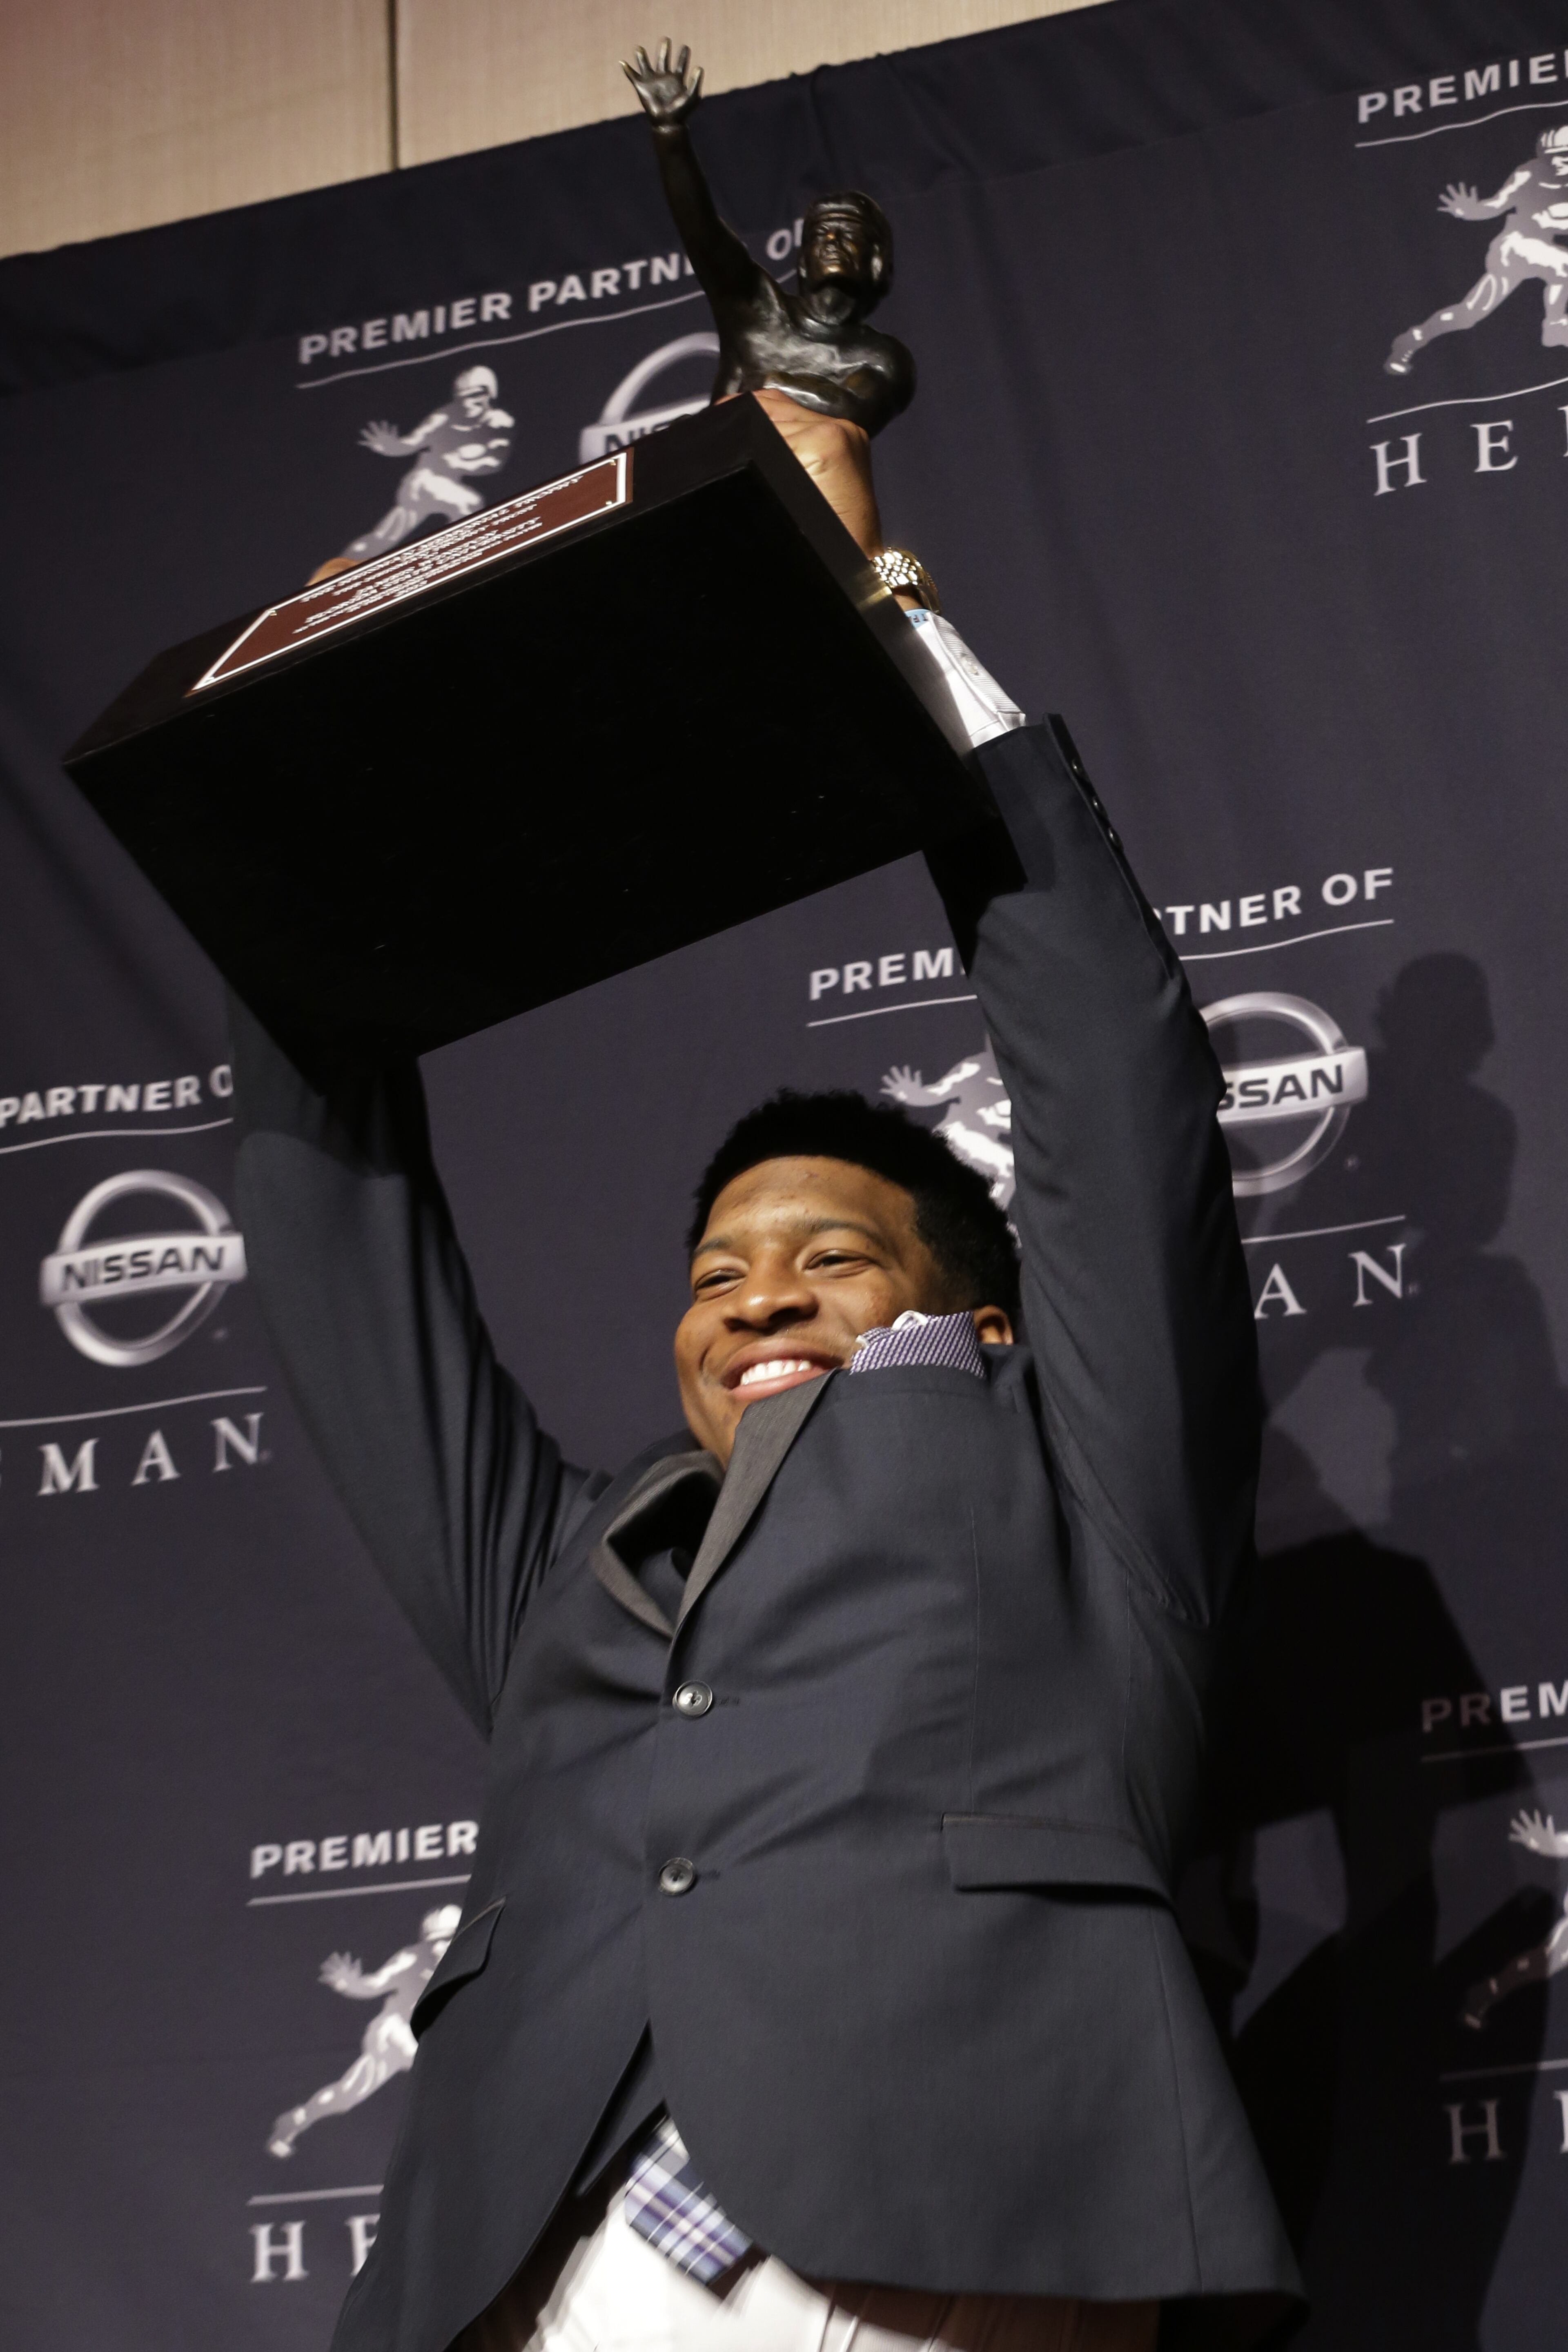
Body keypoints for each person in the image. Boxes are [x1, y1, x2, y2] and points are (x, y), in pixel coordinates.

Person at [232, 388, 1300, 2352]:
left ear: (977, 1322)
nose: (749, 1298)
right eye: (715, 1270)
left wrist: (871, 612)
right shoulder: (572, 1563)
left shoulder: (1077, 1494)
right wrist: (323, 787)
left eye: (826, 1258)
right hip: (541, 2288)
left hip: (929, 2247)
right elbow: (337, 1270)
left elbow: (1108, 1079)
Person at [267, 1905, 464, 2158]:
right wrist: (351, 1984)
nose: (437, 1948)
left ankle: (296, 2119)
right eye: (433, 1942)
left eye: (447, 1939)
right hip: (394, 2032)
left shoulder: (477, 1960)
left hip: (432, 2036)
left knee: (345, 2096)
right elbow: (375, 1984)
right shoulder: (411, 1959)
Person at [1385, 125, 1568, 376]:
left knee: (1469, 314)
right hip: (1516, 246)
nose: (1560, 163)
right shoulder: (1530, 174)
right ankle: (1555, 326)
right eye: (1555, 157)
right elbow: (1497, 204)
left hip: (1543, 248)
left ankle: (1414, 339)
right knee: (1562, 267)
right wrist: (1473, 211)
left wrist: (1554, 222)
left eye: (1566, 156)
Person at [311, 366, 515, 582]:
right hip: (423, 482)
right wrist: (392, 446)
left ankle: (456, 568)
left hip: (447, 484)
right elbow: (412, 442)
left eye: (476, 395)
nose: (469, 401)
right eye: (464, 396)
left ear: (490, 393)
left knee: (465, 507)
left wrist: (464, 462)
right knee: (465, 505)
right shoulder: (444, 416)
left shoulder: (500, 422)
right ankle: (331, 582)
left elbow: (495, 461)